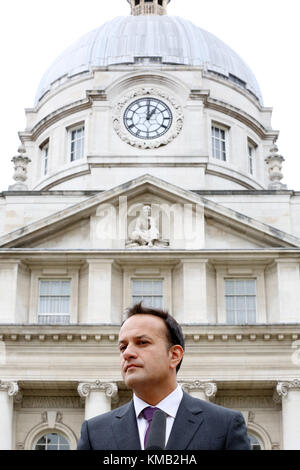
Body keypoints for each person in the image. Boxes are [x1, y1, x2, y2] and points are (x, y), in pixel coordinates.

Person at [77, 302, 251, 450]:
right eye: (123, 347)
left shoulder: (225, 425)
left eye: (142, 342)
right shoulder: (94, 432)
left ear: (174, 355)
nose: (127, 353)